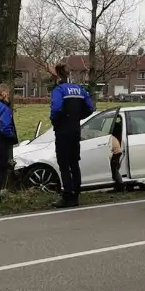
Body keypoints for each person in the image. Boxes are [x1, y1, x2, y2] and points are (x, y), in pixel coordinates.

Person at [49, 63, 95, 207]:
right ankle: (76, 195)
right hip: (75, 130)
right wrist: (78, 117)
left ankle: (67, 196)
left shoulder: (59, 90)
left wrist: (56, 121)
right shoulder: (79, 89)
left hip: (63, 131)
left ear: (57, 75)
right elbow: (90, 108)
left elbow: (56, 108)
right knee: (74, 163)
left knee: (63, 164)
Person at [109, 109, 125, 192]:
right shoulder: (115, 137)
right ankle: (118, 186)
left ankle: (120, 186)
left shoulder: (112, 137)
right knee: (115, 169)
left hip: (116, 153)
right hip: (117, 153)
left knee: (114, 170)